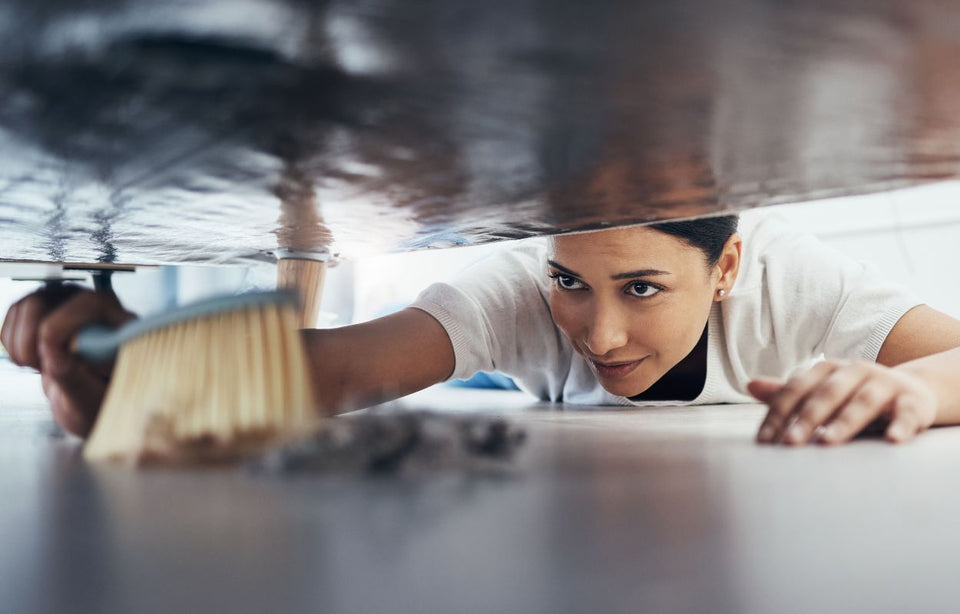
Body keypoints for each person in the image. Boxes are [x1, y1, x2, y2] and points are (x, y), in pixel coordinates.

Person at [4, 212, 960, 446]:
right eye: (569, 283)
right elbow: (339, 369)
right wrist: (145, 370)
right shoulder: (512, 282)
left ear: (726, 269)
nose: (601, 332)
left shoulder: (799, 286)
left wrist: (914, 387)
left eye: (640, 288)